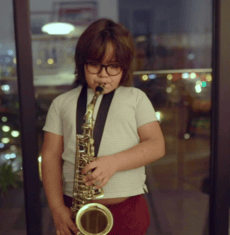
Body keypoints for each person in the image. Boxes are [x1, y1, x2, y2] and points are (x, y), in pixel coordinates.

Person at [41, 18, 165, 235]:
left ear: (124, 67)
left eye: (113, 66)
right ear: (82, 63)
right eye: (95, 64)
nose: (103, 74)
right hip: (75, 209)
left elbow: (156, 145)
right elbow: (50, 157)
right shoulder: (61, 104)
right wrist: (57, 208)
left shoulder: (136, 98)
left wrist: (114, 163)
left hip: (127, 210)